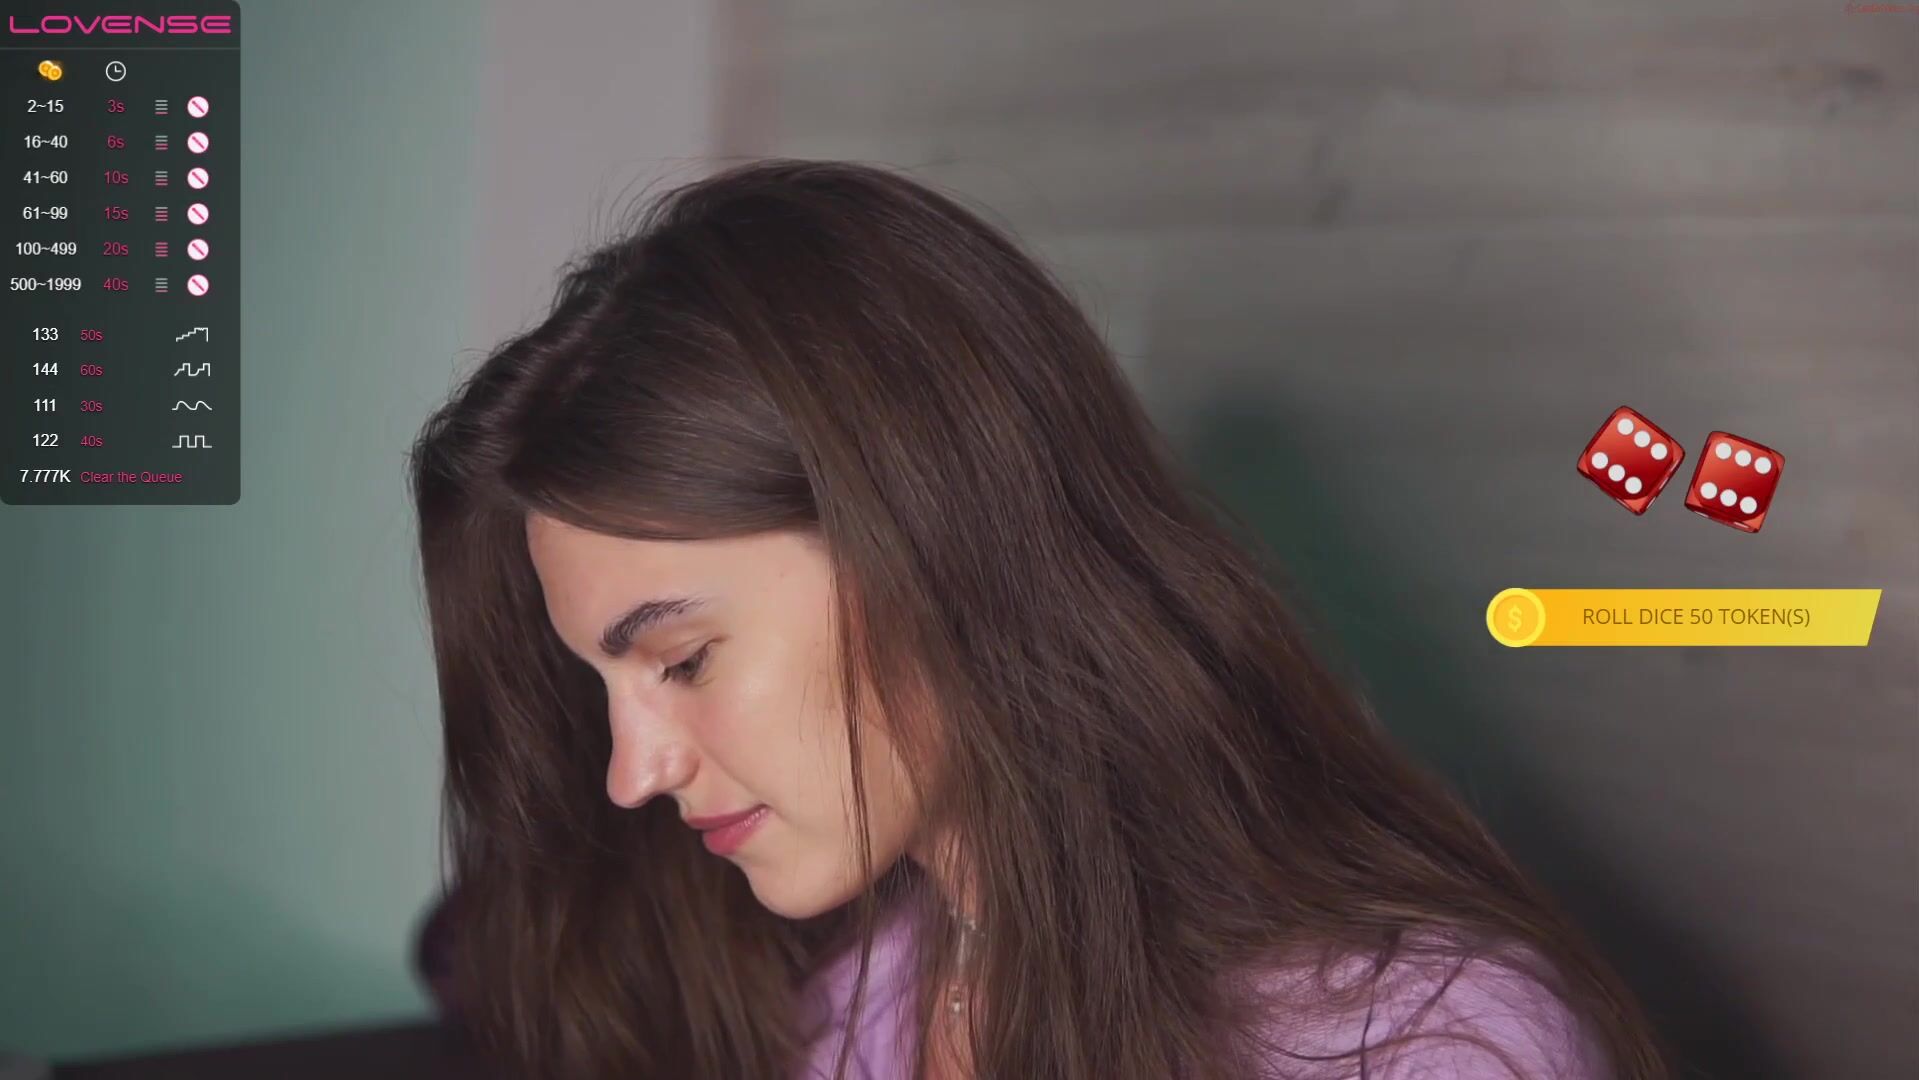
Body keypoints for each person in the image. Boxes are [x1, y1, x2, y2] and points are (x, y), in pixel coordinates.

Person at [406, 158, 1670, 1079]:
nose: (633, 772)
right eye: (604, 689)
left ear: (929, 546)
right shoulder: (840, 1016)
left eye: (682, 660)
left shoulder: (1419, 1044)